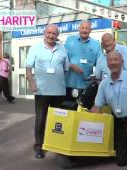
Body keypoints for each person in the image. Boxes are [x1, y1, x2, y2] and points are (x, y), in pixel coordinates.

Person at [26, 24, 69, 159]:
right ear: (44, 33)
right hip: (41, 91)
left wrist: (61, 82)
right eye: (49, 33)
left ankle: (55, 145)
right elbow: (28, 68)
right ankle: (39, 147)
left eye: (54, 33)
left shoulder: (62, 48)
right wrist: (32, 83)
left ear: (57, 35)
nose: (51, 35)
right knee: (41, 120)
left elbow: (66, 68)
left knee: (58, 121)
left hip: (59, 92)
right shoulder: (35, 48)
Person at [65, 20, 101, 100]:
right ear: (78, 29)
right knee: (69, 110)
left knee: (85, 111)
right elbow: (62, 59)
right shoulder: (69, 40)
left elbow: (100, 63)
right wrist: (71, 65)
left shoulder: (96, 44)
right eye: (82, 28)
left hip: (87, 86)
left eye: (87, 28)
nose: (84, 30)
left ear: (90, 30)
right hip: (70, 84)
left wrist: (97, 75)